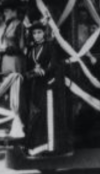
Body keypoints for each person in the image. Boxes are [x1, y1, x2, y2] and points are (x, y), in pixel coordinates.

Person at [24, 21, 68, 156]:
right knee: (37, 113)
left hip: (49, 84)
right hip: (37, 86)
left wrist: (44, 71)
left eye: (39, 32)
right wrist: (31, 72)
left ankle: (52, 147)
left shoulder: (50, 46)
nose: (37, 36)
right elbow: (29, 66)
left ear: (44, 33)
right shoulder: (31, 49)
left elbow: (54, 64)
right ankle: (38, 146)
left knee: (48, 113)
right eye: (34, 33)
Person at [1, 1, 25, 75]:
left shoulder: (19, 25)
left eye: (7, 11)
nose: (4, 14)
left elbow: (21, 46)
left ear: (14, 11)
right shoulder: (8, 24)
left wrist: (7, 49)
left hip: (15, 59)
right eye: (4, 12)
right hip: (7, 59)